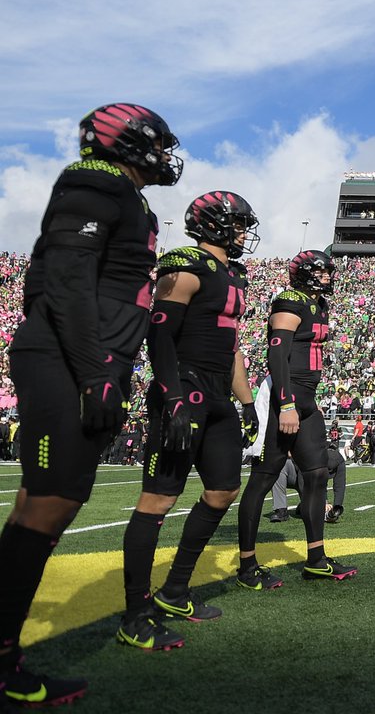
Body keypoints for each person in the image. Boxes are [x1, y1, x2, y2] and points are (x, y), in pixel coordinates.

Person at [0, 104, 179, 706]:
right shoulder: (95, 180)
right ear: (125, 144)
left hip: (79, 359)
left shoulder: (126, 195)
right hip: (70, 360)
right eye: (155, 145)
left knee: (40, 506)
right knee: (50, 504)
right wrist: (96, 367)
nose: (163, 156)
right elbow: (67, 280)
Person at [116, 191, 260, 652]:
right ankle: (135, 615)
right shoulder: (186, 263)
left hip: (218, 393)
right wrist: (171, 395)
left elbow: (233, 346)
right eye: (238, 224)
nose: (244, 233)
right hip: (184, 388)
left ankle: (175, 591)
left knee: (222, 491)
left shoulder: (234, 274)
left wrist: (248, 402)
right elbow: (158, 333)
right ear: (214, 224)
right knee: (158, 499)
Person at [237, 250, 356, 590]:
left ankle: (316, 559)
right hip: (283, 399)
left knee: (317, 475)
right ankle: (247, 564)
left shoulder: (319, 305)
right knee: (262, 479)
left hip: (306, 399)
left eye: (328, 271)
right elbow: (277, 353)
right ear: (304, 273)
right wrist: (286, 403)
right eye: (320, 272)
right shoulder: (290, 300)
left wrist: (307, 403)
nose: (327, 276)